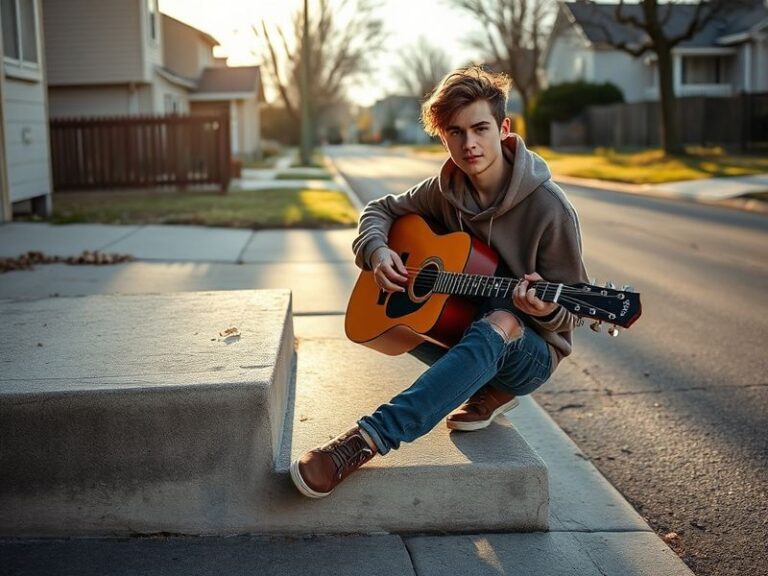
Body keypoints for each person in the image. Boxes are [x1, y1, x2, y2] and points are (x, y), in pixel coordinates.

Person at [290, 66, 589, 499]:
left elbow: (572, 308)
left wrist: (547, 308)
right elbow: (380, 209)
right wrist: (378, 251)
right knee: (411, 321)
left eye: (481, 128)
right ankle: (486, 386)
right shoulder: (445, 189)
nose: (469, 144)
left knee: (502, 320)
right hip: (465, 332)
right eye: (456, 132)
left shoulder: (550, 209)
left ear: (504, 128)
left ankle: (365, 440)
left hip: (531, 351)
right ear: (443, 136)